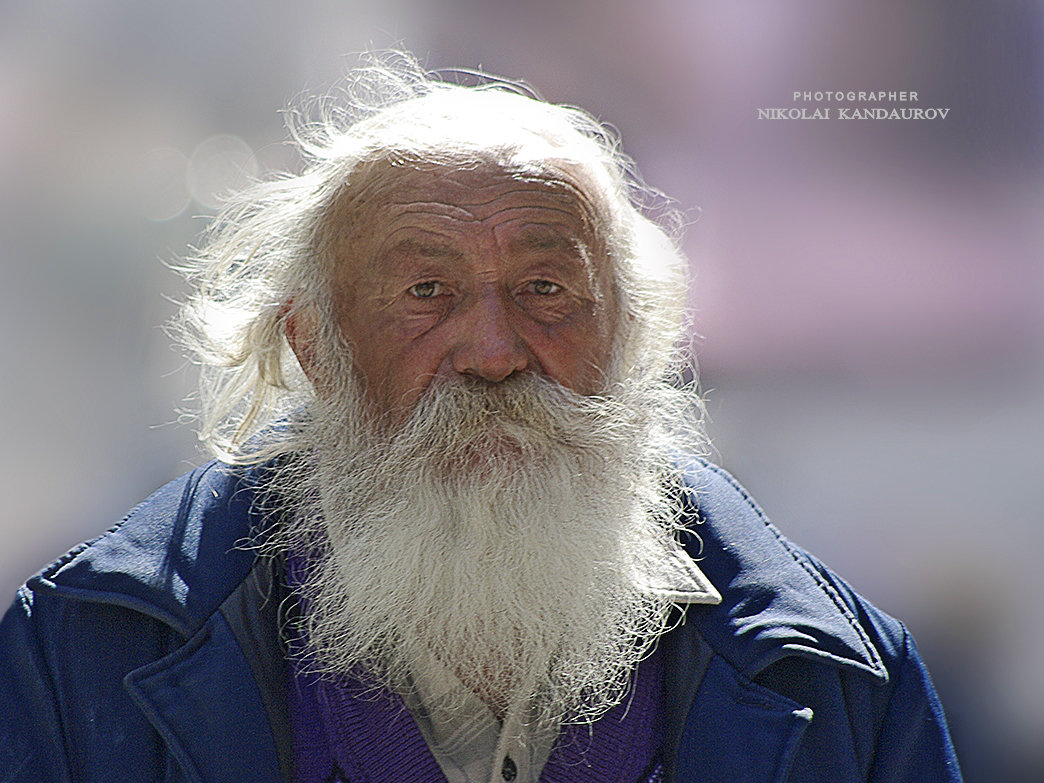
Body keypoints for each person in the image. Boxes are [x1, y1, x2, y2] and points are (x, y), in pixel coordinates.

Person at [0, 56, 962, 783]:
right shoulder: (88, 655)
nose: (495, 352)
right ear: (316, 347)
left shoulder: (837, 678)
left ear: (630, 335)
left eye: (549, 288)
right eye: (426, 291)